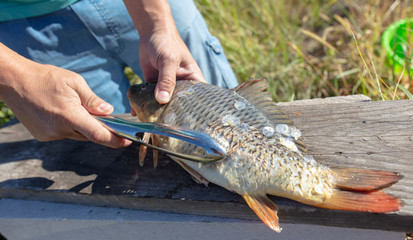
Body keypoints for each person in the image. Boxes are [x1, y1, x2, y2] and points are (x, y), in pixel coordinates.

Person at [0, 0, 238, 148]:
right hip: (19, 22)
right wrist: (14, 76)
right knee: (109, 143)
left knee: (232, 117)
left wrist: (157, 23)